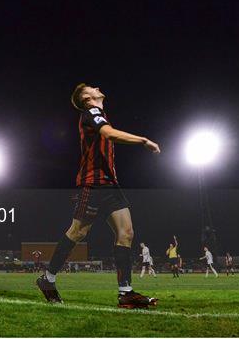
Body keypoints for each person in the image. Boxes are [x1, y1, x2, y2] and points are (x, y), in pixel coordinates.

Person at [36, 83, 160, 309]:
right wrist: (143, 140)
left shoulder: (100, 113)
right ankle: (47, 279)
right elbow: (109, 134)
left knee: (127, 232)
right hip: (93, 185)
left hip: (110, 185)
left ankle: (126, 293)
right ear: (87, 99)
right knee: (78, 232)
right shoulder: (90, 112)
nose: (97, 87)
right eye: (91, 88)